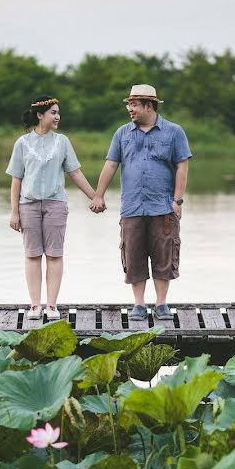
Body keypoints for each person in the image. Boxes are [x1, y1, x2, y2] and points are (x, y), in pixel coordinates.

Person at [90, 84, 191, 321]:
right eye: (129, 104)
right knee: (133, 255)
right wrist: (98, 194)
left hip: (164, 206)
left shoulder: (174, 132)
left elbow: (182, 166)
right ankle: (138, 304)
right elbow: (111, 164)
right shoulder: (122, 133)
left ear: (149, 106)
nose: (130, 109)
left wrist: (178, 200)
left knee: (164, 254)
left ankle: (162, 303)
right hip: (132, 206)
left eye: (134, 105)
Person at [7, 95, 98, 320]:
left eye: (58, 112)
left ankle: (52, 306)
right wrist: (14, 212)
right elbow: (16, 179)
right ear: (40, 115)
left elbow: (75, 172)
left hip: (56, 204)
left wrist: (95, 197)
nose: (58, 116)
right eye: (53, 112)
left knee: (55, 255)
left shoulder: (63, 142)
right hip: (27, 206)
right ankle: (35, 306)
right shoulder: (22, 143)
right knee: (32, 255)